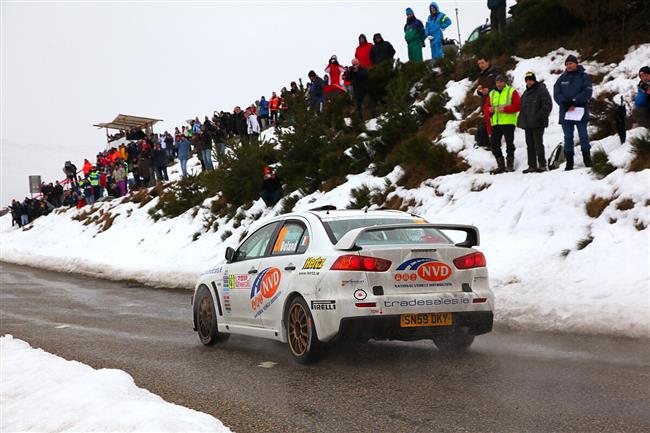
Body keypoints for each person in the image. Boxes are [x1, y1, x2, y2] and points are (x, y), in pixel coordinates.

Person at [553, 54, 593, 170]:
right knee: (568, 137)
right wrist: (565, 103)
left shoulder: (584, 76)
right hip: (566, 112)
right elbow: (556, 93)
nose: (569, 66)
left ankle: (587, 160)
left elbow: (587, 92)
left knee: (583, 136)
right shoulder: (561, 78)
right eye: (567, 64)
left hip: (580, 111)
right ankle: (569, 163)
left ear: (576, 63)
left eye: (570, 63)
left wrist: (574, 101)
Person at [517, 72, 553, 173]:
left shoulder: (541, 90)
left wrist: (539, 117)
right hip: (527, 123)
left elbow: (547, 105)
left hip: (538, 123)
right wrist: (522, 121)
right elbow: (522, 108)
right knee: (530, 144)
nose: (529, 81)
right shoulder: (525, 93)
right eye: (527, 80)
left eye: (530, 79)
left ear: (534, 79)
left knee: (538, 144)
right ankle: (532, 165)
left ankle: (542, 164)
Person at [485, 75, 520, 173]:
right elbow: (486, 108)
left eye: (501, 82)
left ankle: (510, 165)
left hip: (508, 122)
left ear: (505, 82)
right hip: (496, 123)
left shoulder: (512, 91)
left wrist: (505, 109)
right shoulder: (491, 94)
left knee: (509, 144)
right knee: (494, 144)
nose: (499, 84)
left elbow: (518, 106)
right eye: (497, 82)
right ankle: (500, 165)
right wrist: (490, 110)